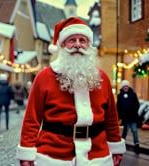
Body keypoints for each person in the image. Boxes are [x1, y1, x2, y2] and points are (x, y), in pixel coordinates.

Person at [16, 17, 126, 166]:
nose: (77, 45)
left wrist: (116, 145)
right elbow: (32, 119)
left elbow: (111, 118)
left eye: (82, 40)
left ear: (89, 45)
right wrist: (27, 152)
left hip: (97, 156)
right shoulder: (45, 77)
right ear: (62, 45)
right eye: (72, 40)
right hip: (54, 156)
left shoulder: (102, 78)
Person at [117, 80, 140, 154]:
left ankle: (136, 145)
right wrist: (119, 116)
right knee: (125, 131)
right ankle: (122, 144)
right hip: (125, 117)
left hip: (132, 116)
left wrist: (134, 111)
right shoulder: (119, 96)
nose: (125, 87)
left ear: (128, 86)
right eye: (124, 86)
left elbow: (137, 104)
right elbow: (118, 107)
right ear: (122, 87)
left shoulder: (133, 94)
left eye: (127, 86)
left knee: (134, 130)